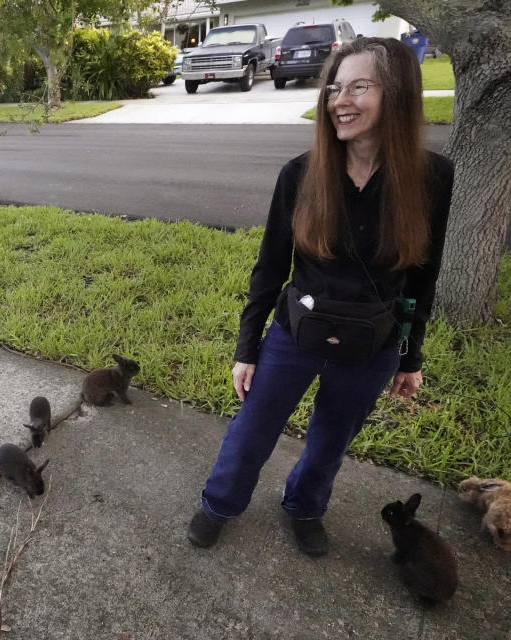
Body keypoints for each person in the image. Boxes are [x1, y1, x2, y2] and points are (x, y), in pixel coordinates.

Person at [187, 37, 454, 557]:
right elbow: (269, 267)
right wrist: (248, 348)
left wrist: (410, 356)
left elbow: (423, 277)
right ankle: (220, 503)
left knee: (332, 440)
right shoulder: (301, 173)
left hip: (372, 344)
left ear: (396, 94)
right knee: (253, 428)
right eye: (335, 88)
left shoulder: (432, 178)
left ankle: (305, 507)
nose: (339, 101)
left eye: (358, 87)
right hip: (296, 332)